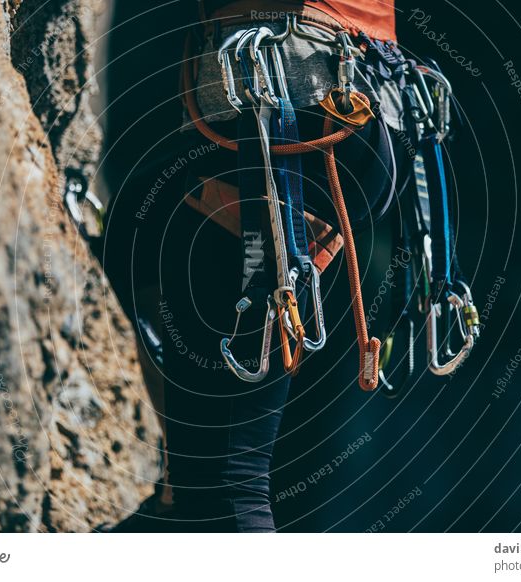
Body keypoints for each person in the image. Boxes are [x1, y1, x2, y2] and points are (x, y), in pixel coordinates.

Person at [101, 0, 467, 531]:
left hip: (290, 108)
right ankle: (179, 487)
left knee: (231, 484)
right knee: (133, 229)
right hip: (337, 105)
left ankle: (200, 497)